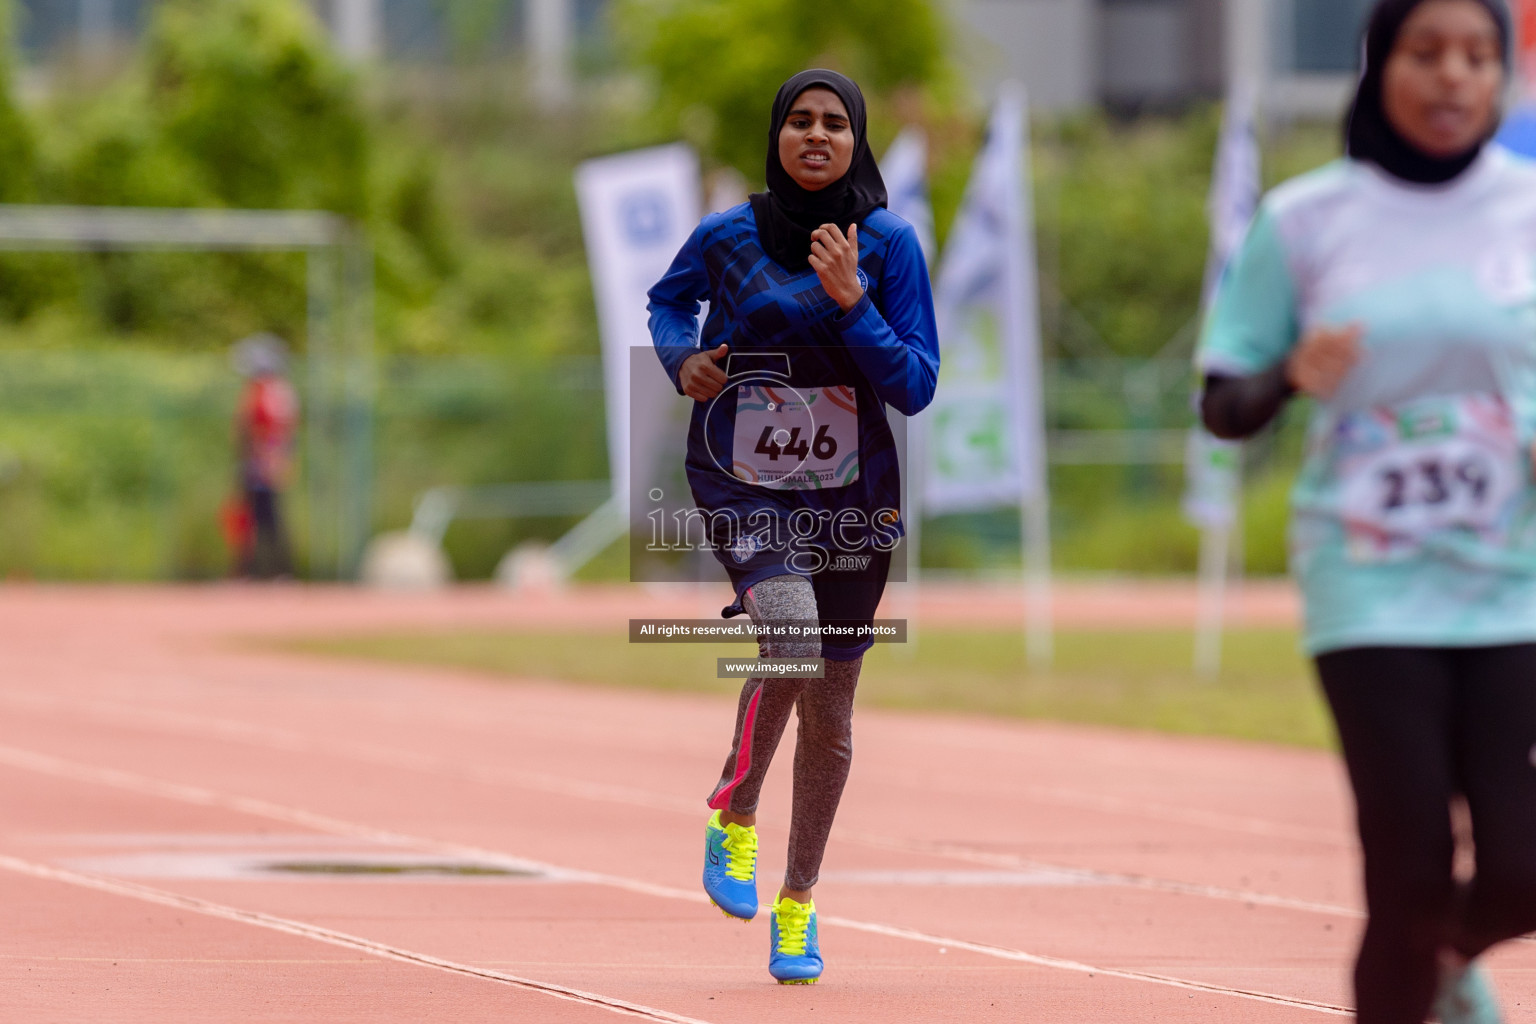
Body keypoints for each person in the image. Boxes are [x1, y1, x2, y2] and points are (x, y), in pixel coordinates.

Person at [1199, 2, 1536, 1020]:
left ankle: (1447, 952)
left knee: (1521, 865)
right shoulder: (1307, 220)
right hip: (1370, 582)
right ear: (1377, 66)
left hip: (1514, 579)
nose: (1453, 78)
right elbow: (1224, 403)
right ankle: (1421, 947)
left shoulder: (1529, 206)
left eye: (1479, 56)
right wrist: (1292, 374)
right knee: (1407, 865)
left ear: (1504, 75)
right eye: (1426, 53)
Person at [647, 69, 939, 985]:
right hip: (743, 478)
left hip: (854, 497)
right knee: (790, 638)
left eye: (836, 124)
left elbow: (916, 385)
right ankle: (733, 813)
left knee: (834, 716)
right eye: (801, 121)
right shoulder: (728, 235)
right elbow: (668, 302)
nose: (817, 136)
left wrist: (855, 303)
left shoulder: (887, 245)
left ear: (857, 140)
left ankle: (799, 901)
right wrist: (681, 359)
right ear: (777, 133)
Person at [230, 332, 299, 579]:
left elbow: (277, 431)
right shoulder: (264, 391)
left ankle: (278, 571)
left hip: (263, 464)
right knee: (251, 518)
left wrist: (273, 461)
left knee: (269, 518)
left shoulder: (272, 392)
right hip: (256, 463)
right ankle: (250, 571)